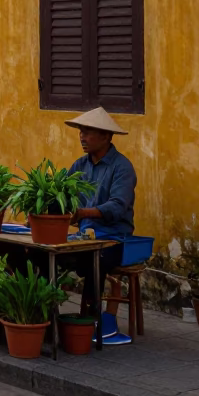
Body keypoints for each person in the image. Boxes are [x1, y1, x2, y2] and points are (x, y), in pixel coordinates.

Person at [63, 106, 137, 333]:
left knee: (95, 260)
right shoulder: (79, 166)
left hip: (115, 239)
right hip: (84, 236)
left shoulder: (122, 168)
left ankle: (94, 320)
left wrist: (83, 213)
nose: (82, 138)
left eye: (87, 132)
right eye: (81, 132)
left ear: (106, 136)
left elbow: (117, 206)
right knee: (44, 256)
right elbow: (65, 195)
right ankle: (44, 315)